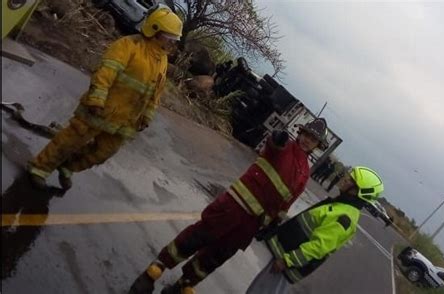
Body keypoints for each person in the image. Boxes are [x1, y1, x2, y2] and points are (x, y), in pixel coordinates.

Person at [128, 118, 330, 294]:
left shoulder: (304, 172)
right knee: (198, 237)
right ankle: (154, 270)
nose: (306, 140)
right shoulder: (284, 146)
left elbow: (287, 202)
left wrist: (272, 224)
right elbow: (273, 145)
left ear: (316, 145)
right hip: (233, 206)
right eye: (306, 134)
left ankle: (183, 284)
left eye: (312, 139)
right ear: (300, 132)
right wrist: (276, 139)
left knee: (219, 254)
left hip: (251, 224)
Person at [27, 6, 183, 190]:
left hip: (126, 121)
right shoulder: (128, 45)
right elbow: (105, 73)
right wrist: (96, 99)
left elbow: (155, 92)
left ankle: (69, 167)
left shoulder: (162, 60)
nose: (172, 44)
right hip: (101, 109)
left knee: (101, 153)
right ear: (155, 30)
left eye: (175, 39)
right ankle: (40, 167)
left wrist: (146, 116)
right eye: (170, 38)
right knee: (70, 140)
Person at [246, 166, 384, 294]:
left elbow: (318, 247)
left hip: (288, 266)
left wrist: (287, 261)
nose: (345, 179)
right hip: (285, 256)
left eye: (351, 180)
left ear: (358, 192)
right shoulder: (341, 205)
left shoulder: (345, 218)